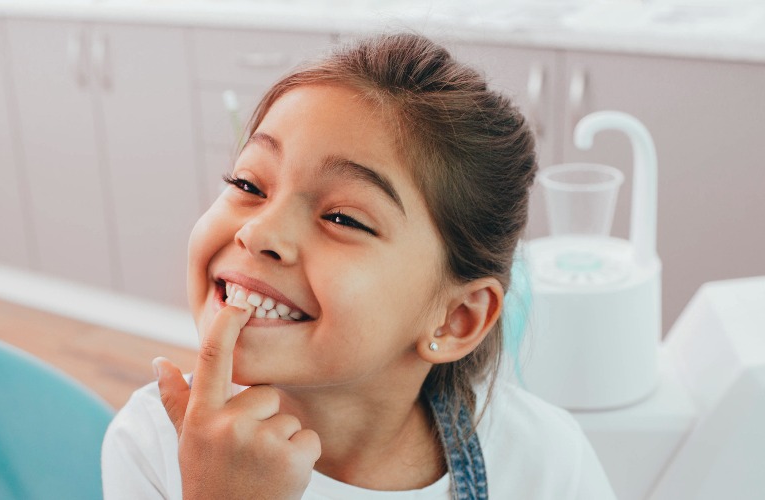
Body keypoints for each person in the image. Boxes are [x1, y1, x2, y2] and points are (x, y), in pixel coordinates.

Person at [102, 32, 617, 499]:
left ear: (456, 318)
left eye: (343, 217)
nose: (256, 232)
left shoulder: (546, 464)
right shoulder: (151, 445)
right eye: (248, 184)